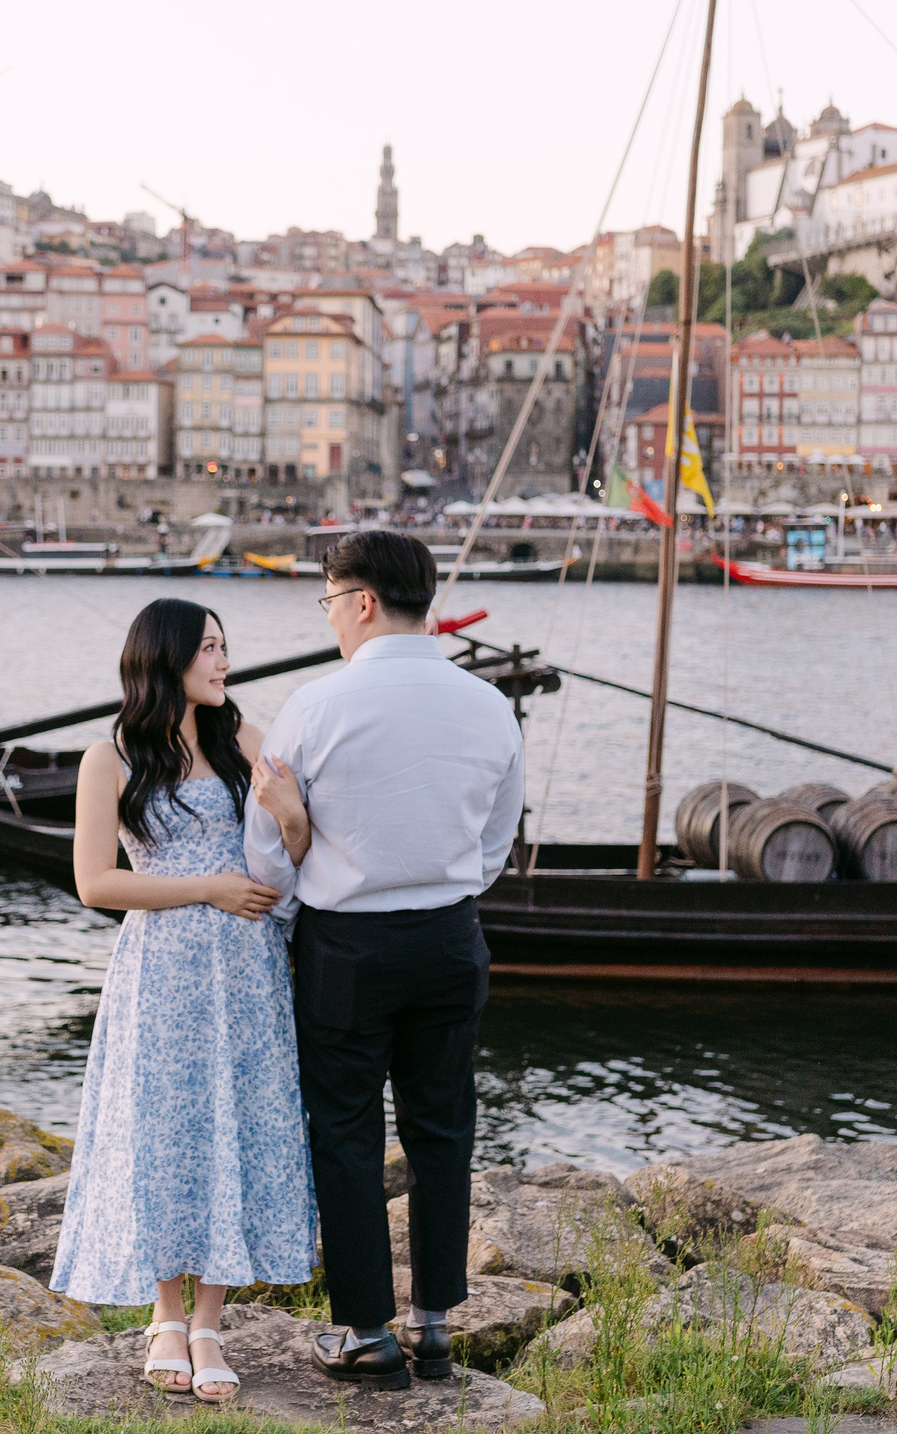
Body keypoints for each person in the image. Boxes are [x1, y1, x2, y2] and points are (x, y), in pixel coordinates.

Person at [245, 530, 524, 1390]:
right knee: (443, 1127)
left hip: (347, 946)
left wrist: (293, 909)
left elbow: (266, 851)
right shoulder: (488, 704)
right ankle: (433, 1324)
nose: (329, 617)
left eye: (329, 601)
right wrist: (441, 886)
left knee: (346, 1133)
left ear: (362, 601)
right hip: (448, 937)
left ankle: (365, 1330)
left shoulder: (314, 706)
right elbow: (495, 842)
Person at [48, 598, 317, 1408]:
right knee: (162, 1129)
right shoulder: (111, 757)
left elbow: (300, 850)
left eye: (225, 646)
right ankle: (164, 1315)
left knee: (234, 1125)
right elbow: (96, 882)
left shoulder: (248, 743)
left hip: (247, 970)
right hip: (161, 970)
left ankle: (209, 1323)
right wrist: (207, 887)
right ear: (165, 657)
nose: (223, 661)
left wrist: (291, 818)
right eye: (207, 648)